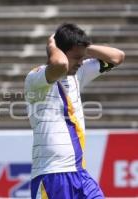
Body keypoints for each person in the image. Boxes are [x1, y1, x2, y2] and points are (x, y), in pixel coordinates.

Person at [24, 23, 125, 199]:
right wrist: (52, 45)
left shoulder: (77, 74)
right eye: (76, 57)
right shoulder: (36, 77)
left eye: (82, 57)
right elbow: (60, 64)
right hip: (51, 175)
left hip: (80, 174)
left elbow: (117, 57)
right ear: (60, 51)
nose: (81, 62)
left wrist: (84, 48)